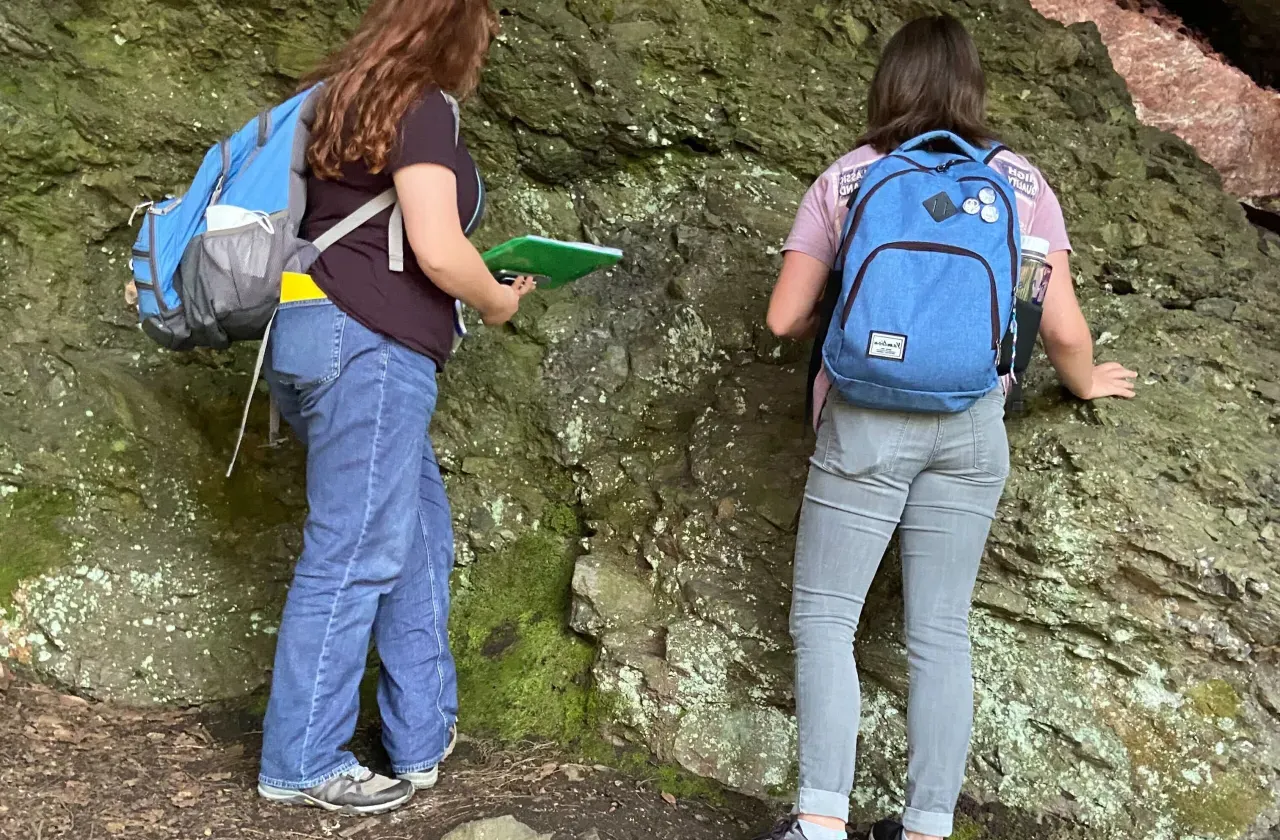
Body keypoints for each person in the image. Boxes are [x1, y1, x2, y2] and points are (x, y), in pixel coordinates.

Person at [759, 14, 1136, 840]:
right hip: (972, 428)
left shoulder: (852, 179)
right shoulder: (1022, 185)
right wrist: (1085, 381)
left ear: (886, 82)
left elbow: (784, 318)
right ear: (973, 85)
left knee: (826, 621)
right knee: (939, 629)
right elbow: (1062, 325)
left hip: (864, 425)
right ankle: (928, 825)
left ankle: (821, 823)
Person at [254, 0, 535, 815]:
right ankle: (302, 760)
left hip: (308, 334)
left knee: (413, 537)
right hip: (370, 349)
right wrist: (494, 301)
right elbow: (440, 250)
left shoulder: (335, 98)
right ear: (458, 33)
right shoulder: (423, 104)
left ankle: (418, 738)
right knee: (353, 553)